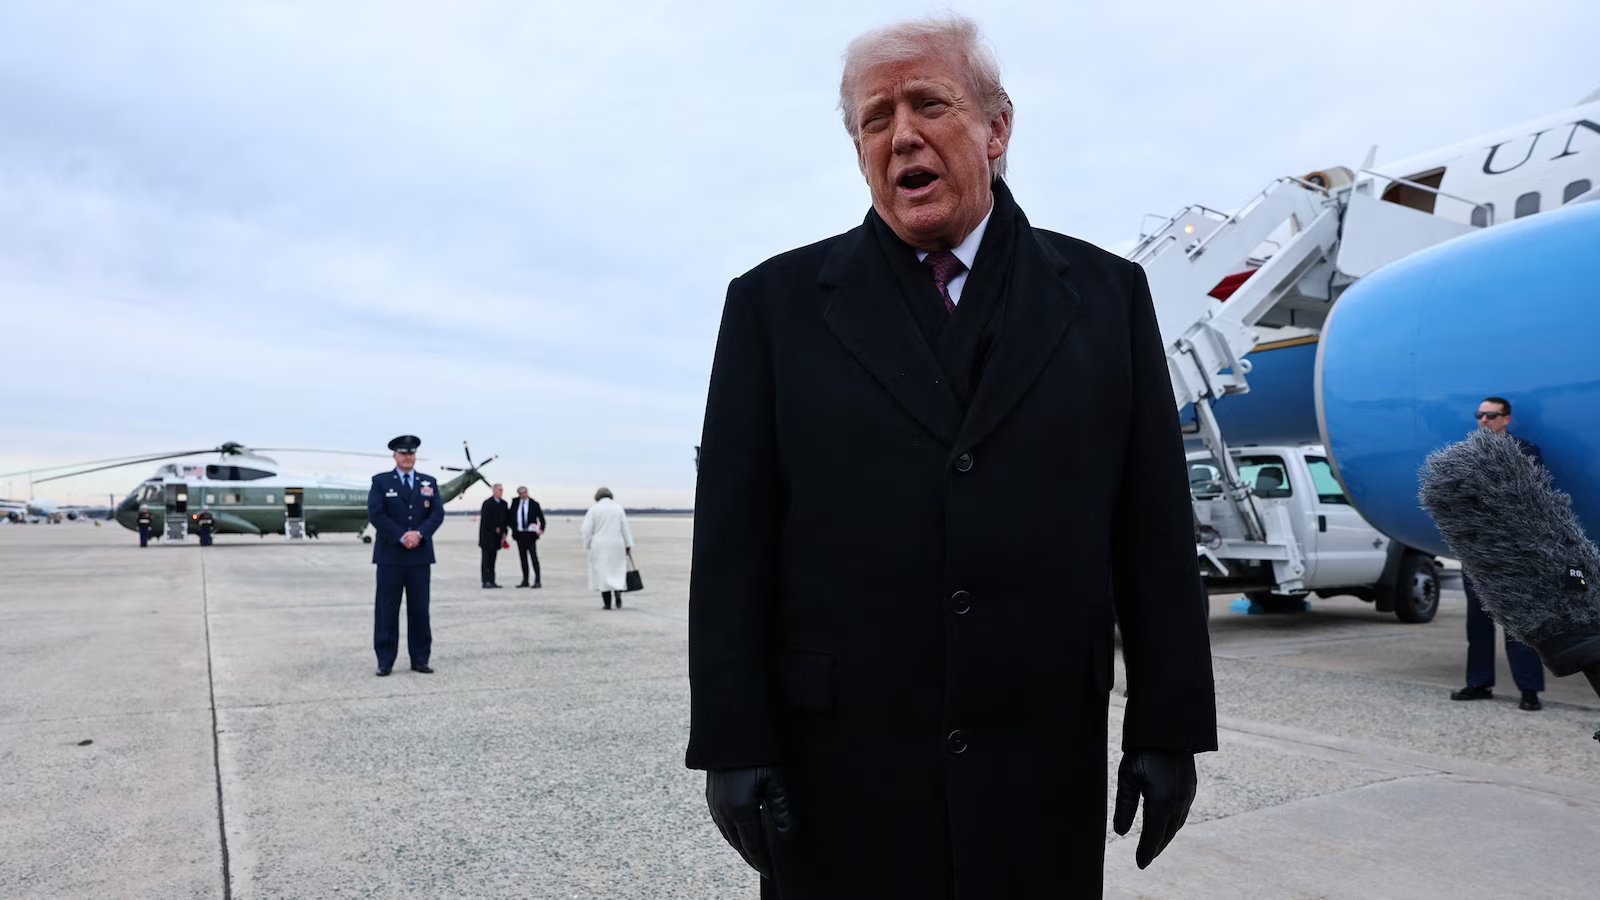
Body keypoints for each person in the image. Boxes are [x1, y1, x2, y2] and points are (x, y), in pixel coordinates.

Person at [685, 15, 1216, 898]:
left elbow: (1153, 529)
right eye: (875, 118)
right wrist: (732, 740)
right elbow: (732, 544)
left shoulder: (1107, 298)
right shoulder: (772, 309)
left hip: (1040, 758)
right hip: (839, 767)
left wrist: (1170, 725)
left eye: (928, 104)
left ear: (996, 128)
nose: (901, 136)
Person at [1451, 396, 1546, 711]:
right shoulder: (1464, 453)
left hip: (1512, 550)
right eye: (1479, 415)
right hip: (1475, 548)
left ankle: (1529, 690)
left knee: (1518, 622)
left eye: (1491, 415)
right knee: (1477, 622)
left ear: (1506, 419)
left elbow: (1531, 496)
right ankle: (1478, 683)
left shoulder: (1526, 451)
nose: (1484, 420)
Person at [366, 434, 445, 676]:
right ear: (395, 456)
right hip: (390, 557)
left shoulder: (428, 482)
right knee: (386, 610)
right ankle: (385, 660)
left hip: (419, 557)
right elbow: (376, 513)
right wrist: (401, 536)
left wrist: (419, 534)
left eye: (411, 453)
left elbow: (437, 514)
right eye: (403, 453)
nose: (407, 457)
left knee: (420, 610)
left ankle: (420, 659)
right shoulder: (381, 482)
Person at [581, 487, 633, 610]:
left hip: (600, 545)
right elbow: (625, 527)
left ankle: (607, 603)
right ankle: (618, 592)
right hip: (617, 544)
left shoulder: (594, 509)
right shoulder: (618, 508)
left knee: (602, 573)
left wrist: (587, 543)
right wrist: (628, 544)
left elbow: (586, 529)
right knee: (617, 571)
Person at [509, 486, 547, 588]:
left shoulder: (534, 504)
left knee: (534, 558)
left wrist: (541, 529)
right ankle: (525, 580)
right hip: (519, 534)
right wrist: (513, 528)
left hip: (531, 534)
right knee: (523, 559)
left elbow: (541, 518)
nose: (523, 495)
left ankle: (537, 581)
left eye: (524, 493)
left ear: (527, 492)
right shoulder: (515, 503)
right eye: (521, 493)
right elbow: (510, 517)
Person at [478, 483, 510, 589]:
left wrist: (504, 532)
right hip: (487, 537)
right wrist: (494, 528)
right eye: (499, 490)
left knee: (493, 560)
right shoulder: (487, 503)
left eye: (502, 490)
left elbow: (506, 519)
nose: (501, 492)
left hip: (497, 538)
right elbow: (485, 521)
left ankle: (492, 580)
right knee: (486, 560)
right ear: (494, 491)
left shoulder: (504, 504)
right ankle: (485, 581)